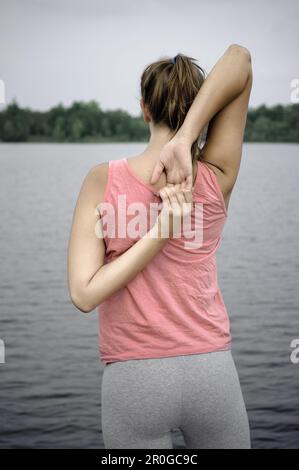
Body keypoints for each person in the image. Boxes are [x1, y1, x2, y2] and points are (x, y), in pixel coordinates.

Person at [67, 44, 253, 449]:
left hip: (135, 380)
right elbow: (239, 59)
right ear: (200, 108)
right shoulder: (217, 175)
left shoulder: (102, 180)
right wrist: (163, 227)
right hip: (212, 372)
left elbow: (84, 295)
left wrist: (154, 233)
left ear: (143, 109)